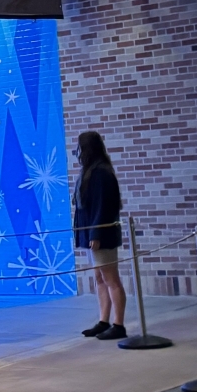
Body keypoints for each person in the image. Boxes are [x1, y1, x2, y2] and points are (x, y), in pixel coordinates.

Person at [73, 130, 127, 340]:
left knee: (111, 278)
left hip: (101, 235)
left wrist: (96, 234)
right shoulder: (90, 171)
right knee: (99, 277)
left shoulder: (101, 173)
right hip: (91, 233)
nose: (78, 152)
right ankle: (104, 321)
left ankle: (118, 324)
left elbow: (102, 207)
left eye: (80, 148)